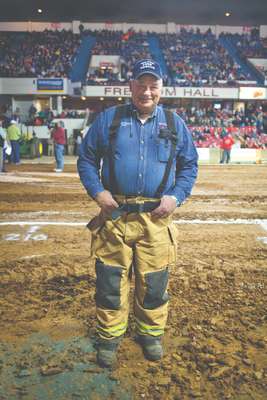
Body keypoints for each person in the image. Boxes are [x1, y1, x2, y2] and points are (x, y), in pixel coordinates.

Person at [77, 59, 198, 368]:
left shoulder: (174, 124)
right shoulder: (109, 119)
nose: (147, 92)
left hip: (156, 219)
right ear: (130, 86)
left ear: (161, 89)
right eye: (141, 85)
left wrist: (176, 197)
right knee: (110, 282)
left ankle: (150, 334)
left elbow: (189, 167)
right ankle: (109, 337)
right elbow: (87, 159)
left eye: (153, 86)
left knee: (154, 283)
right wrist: (98, 192)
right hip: (115, 216)